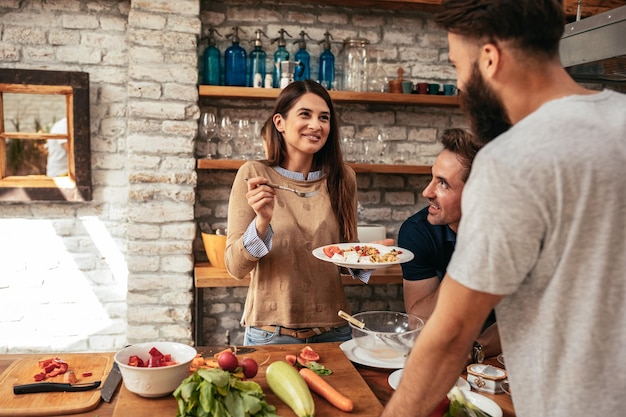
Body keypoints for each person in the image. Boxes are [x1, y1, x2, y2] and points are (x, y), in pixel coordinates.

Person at [381, 1, 626, 417]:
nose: (460, 86)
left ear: (490, 60)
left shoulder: (512, 159)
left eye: (459, 67)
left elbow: (450, 335)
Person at [225, 80, 367, 346]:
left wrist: (367, 258)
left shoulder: (342, 178)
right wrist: (262, 221)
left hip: (334, 331)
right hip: (269, 333)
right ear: (280, 122)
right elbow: (235, 267)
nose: (316, 125)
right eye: (305, 114)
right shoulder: (253, 174)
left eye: (324, 118)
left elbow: (343, 259)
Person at [398, 128, 500, 359]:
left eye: (443, 184)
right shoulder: (417, 231)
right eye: (432, 178)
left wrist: (475, 350)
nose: (426, 192)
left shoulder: (516, 235)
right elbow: (418, 321)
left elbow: (525, 318)